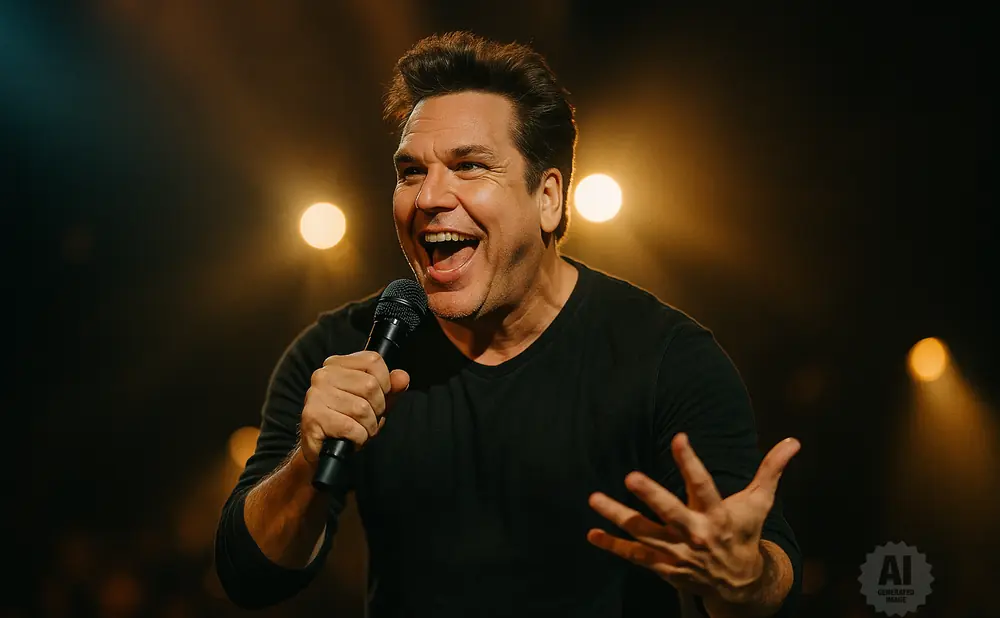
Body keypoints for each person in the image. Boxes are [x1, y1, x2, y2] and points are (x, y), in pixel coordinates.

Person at [215, 31, 802, 618]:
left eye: (469, 166)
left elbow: (766, 582)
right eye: (411, 171)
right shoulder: (344, 351)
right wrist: (307, 462)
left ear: (548, 198)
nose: (428, 197)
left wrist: (745, 579)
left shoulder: (666, 358)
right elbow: (249, 578)